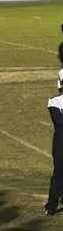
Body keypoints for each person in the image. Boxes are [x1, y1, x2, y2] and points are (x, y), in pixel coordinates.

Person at [44, 87, 63, 215]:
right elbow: (59, 121)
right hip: (61, 143)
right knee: (59, 173)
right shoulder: (54, 101)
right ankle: (51, 205)